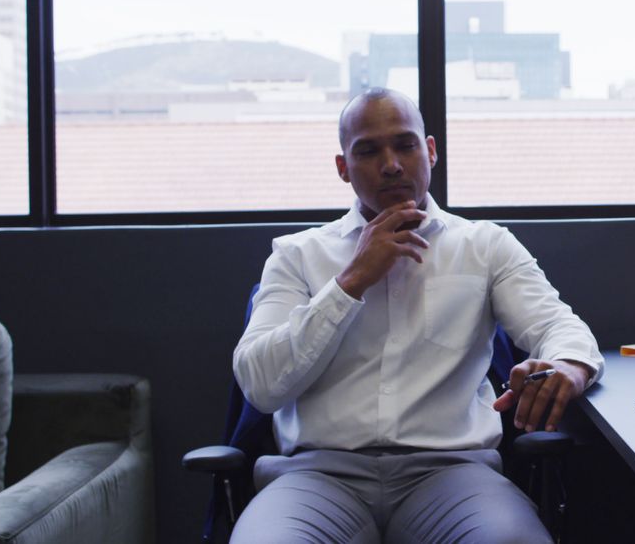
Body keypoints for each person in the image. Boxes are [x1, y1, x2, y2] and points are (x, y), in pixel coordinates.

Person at [230, 88, 604, 543]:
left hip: (454, 476)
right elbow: (261, 385)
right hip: (317, 477)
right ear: (343, 168)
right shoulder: (296, 255)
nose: (391, 164)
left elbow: (559, 326)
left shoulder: (483, 246)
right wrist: (351, 281)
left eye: (405, 145)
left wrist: (569, 365)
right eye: (368, 150)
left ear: (429, 151)